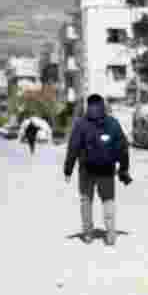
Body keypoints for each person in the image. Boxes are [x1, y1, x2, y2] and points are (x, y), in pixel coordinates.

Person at [63, 94, 131, 246]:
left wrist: (68, 170)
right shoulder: (113, 123)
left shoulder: (80, 124)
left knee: (86, 200)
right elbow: (123, 148)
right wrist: (124, 169)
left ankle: (88, 234)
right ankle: (111, 234)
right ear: (103, 105)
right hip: (107, 170)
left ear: (88, 106)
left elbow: (73, 148)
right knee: (108, 201)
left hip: (86, 170)